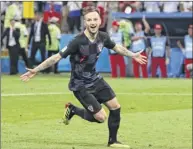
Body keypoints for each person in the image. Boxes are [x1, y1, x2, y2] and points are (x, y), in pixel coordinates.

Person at [20, 7, 147, 148]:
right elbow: (57, 57)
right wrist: (36, 70)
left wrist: (133, 54)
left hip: (95, 79)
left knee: (115, 107)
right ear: (85, 22)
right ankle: (73, 110)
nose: (92, 22)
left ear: (100, 21)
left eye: (95, 19)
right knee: (100, 118)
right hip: (79, 84)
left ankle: (113, 141)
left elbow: (117, 47)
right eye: (89, 20)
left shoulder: (103, 37)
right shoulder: (77, 41)